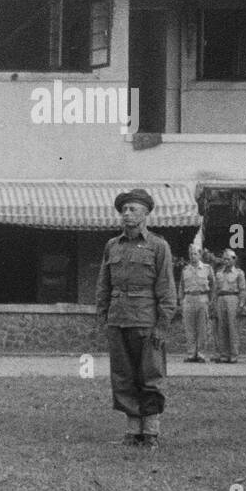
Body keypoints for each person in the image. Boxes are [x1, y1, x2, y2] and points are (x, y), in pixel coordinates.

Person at [94, 189, 177, 448]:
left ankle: (150, 431)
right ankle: (132, 430)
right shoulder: (112, 246)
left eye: (133, 209)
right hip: (118, 320)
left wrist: (162, 326)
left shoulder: (158, 246)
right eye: (124, 209)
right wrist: (103, 317)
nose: (126, 214)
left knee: (150, 375)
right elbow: (103, 285)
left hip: (146, 320)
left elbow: (166, 289)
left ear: (146, 214)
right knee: (123, 376)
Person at [179, 245, 215, 363]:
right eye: (190, 254)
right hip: (189, 298)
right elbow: (181, 286)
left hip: (202, 297)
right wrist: (181, 300)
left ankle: (201, 354)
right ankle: (191, 354)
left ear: (200, 255)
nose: (192, 256)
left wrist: (210, 300)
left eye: (195, 254)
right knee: (189, 328)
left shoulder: (207, 268)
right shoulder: (185, 270)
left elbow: (213, 285)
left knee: (202, 328)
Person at [211, 248, 246, 363]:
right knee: (221, 327)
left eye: (228, 259)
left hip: (233, 298)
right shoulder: (219, 273)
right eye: (224, 259)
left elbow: (243, 290)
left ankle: (234, 354)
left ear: (234, 259)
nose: (225, 261)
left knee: (233, 327)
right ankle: (224, 354)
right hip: (221, 299)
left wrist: (241, 305)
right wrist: (214, 304)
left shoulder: (239, 273)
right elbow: (215, 290)